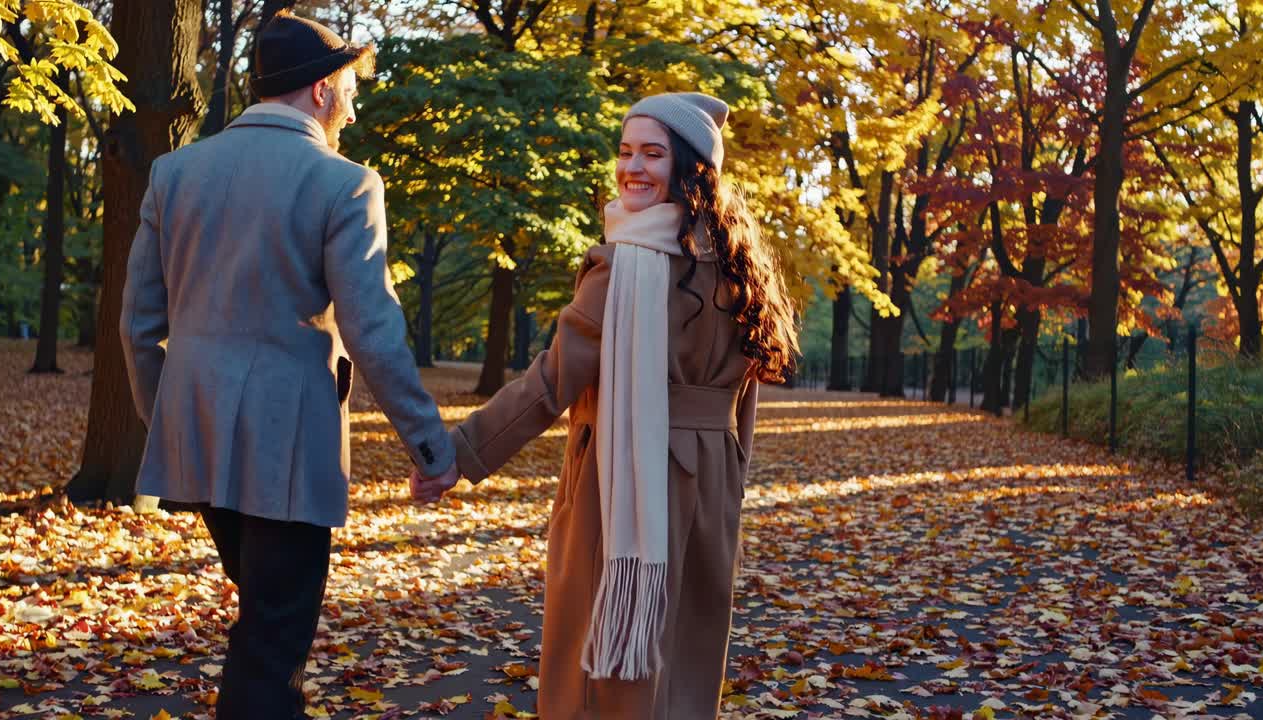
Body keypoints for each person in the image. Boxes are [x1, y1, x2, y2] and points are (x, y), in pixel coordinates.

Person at [415, 92, 799, 718]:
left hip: (620, 478)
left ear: (691, 168)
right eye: (625, 151)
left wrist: (459, 454)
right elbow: (743, 403)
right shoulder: (738, 266)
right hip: (711, 480)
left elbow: (550, 382)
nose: (632, 168)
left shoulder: (622, 265)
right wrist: (730, 473)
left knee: (601, 664)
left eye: (653, 154)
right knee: (686, 651)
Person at [119, 11, 457, 719]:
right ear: (322, 90)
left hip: (197, 431)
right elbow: (372, 328)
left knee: (264, 619)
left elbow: (139, 324)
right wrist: (430, 447)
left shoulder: (174, 172)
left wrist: (167, 423)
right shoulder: (345, 183)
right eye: (349, 92)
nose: (353, 111)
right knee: (274, 637)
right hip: (289, 444)